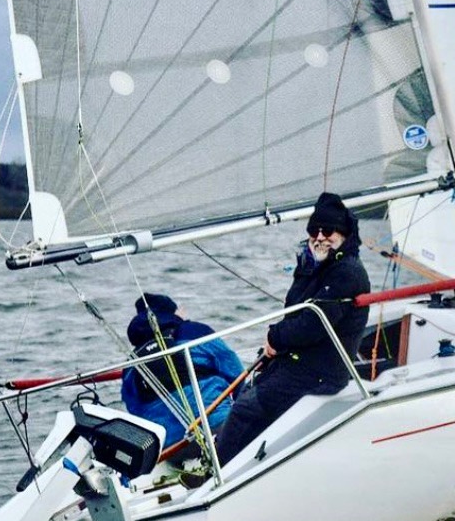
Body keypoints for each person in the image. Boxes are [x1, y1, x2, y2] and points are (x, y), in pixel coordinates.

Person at [214, 192, 371, 464]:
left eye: (328, 231)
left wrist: (275, 336)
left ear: (344, 234)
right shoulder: (317, 266)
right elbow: (292, 309)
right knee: (250, 394)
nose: (320, 237)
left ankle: (214, 478)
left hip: (322, 371)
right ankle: (236, 466)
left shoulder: (348, 271)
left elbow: (313, 324)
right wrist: (307, 267)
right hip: (300, 363)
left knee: (244, 410)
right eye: (314, 230)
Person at [121, 293, 246, 462]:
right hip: (220, 428)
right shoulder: (196, 331)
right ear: (173, 313)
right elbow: (236, 372)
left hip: (173, 450)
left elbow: (135, 409)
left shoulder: (131, 364)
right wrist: (240, 405)